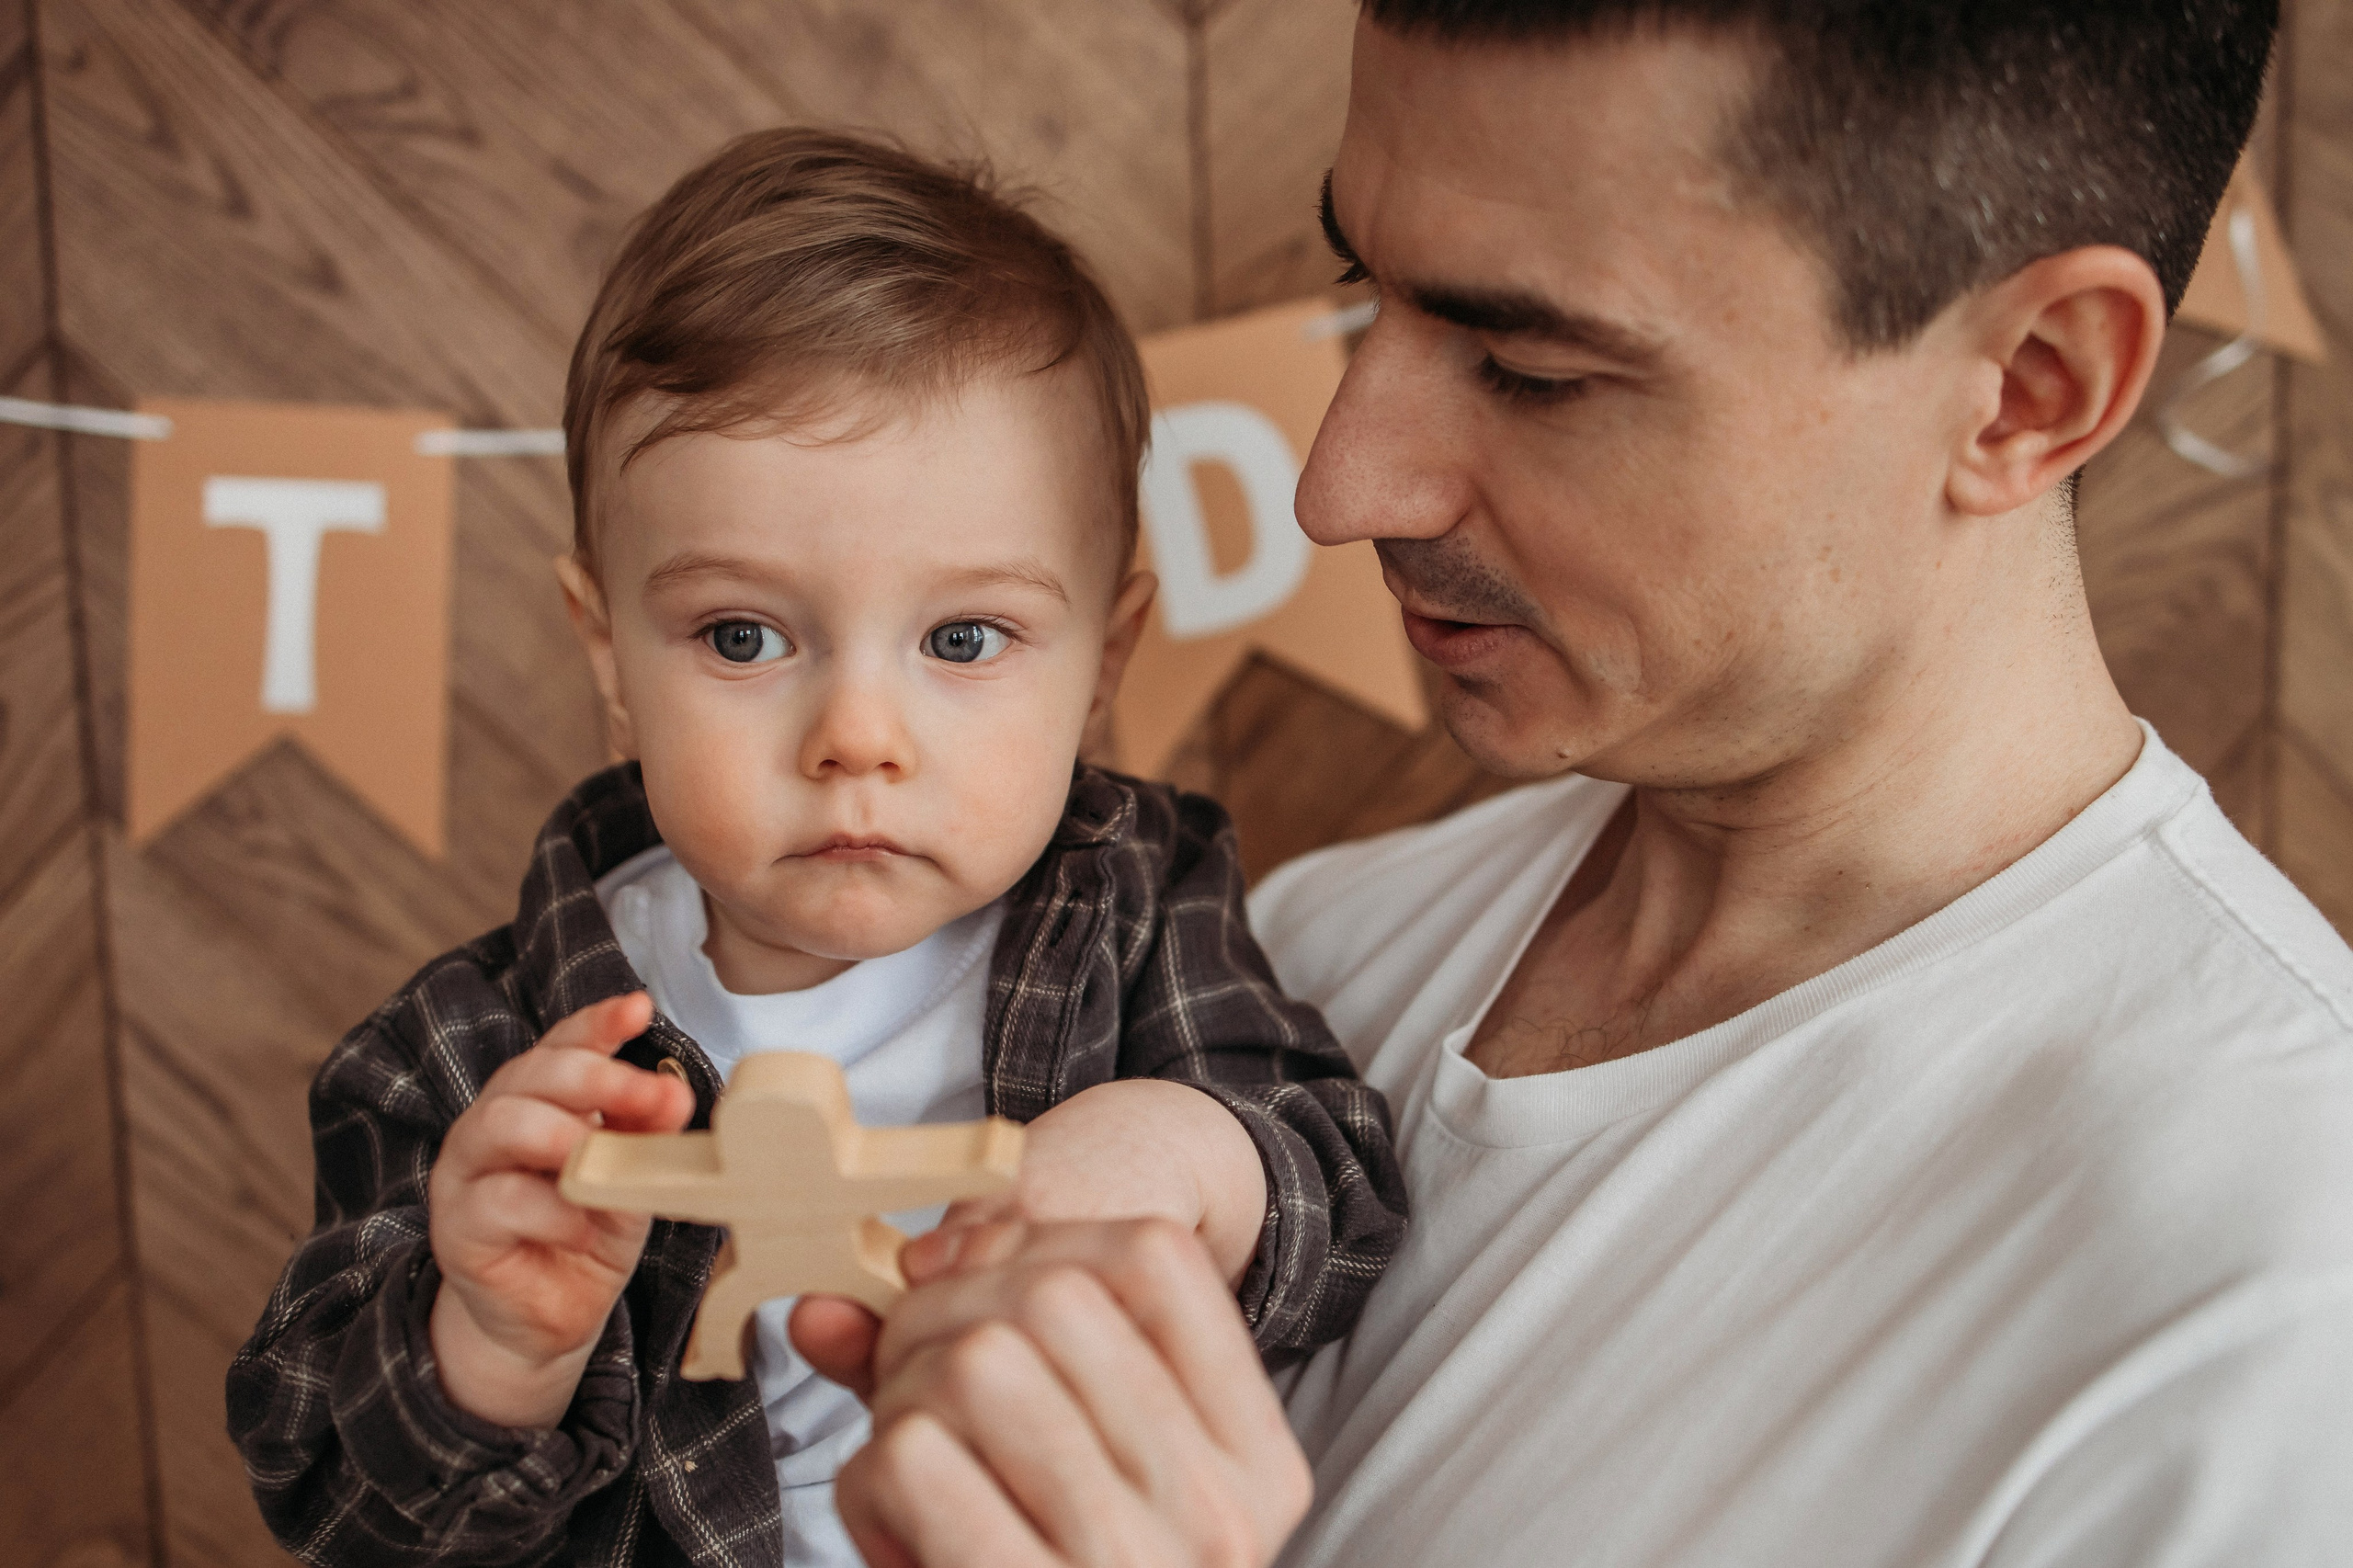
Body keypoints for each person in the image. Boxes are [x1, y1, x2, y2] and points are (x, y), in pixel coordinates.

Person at [798, 4, 2353, 1565]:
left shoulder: (2266, 1314)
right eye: (1367, 292)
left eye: (1531, 367)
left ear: (2027, 382)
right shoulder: (1285, 965)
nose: (1343, 484)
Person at [224, 129, 1408, 1568]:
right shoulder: (470, 1063)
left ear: (1106, 658)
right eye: (743, 634)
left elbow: (1347, 1203)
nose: (858, 734)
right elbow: (325, 1497)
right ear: (609, 653)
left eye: (963, 638)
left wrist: (1185, 1156)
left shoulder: (1137, 906)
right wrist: (485, 1343)